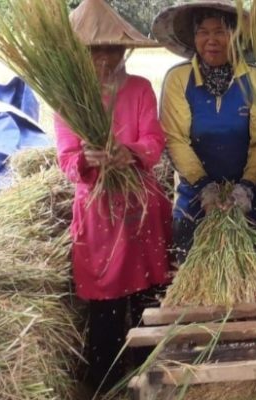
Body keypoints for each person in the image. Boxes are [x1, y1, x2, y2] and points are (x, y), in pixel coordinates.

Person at [54, 0, 171, 395]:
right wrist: (88, 159)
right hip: (99, 216)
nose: (105, 57)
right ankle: (105, 385)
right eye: (95, 49)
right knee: (104, 307)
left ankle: (150, 379)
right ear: (79, 53)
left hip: (142, 210)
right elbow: (67, 160)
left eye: (112, 47)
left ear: (124, 49)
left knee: (146, 299)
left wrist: (130, 152)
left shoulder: (139, 89)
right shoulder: (67, 98)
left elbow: (154, 139)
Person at [152, 0, 256, 262]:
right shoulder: (178, 78)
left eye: (220, 31)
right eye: (203, 32)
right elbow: (175, 139)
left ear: (236, 35)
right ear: (193, 37)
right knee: (193, 284)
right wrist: (204, 187)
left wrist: (245, 187)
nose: (212, 40)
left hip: (248, 199)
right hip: (193, 200)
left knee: (253, 282)